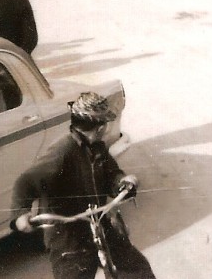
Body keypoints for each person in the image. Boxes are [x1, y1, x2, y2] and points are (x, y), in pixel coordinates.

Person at [11, 92, 156, 279]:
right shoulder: (63, 151)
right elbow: (25, 182)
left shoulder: (97, 148)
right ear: (100, 127)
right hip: (69, 238)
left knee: (137, 271)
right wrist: (20, 214)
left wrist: (122, 183)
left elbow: (111, 173)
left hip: (99, 225)